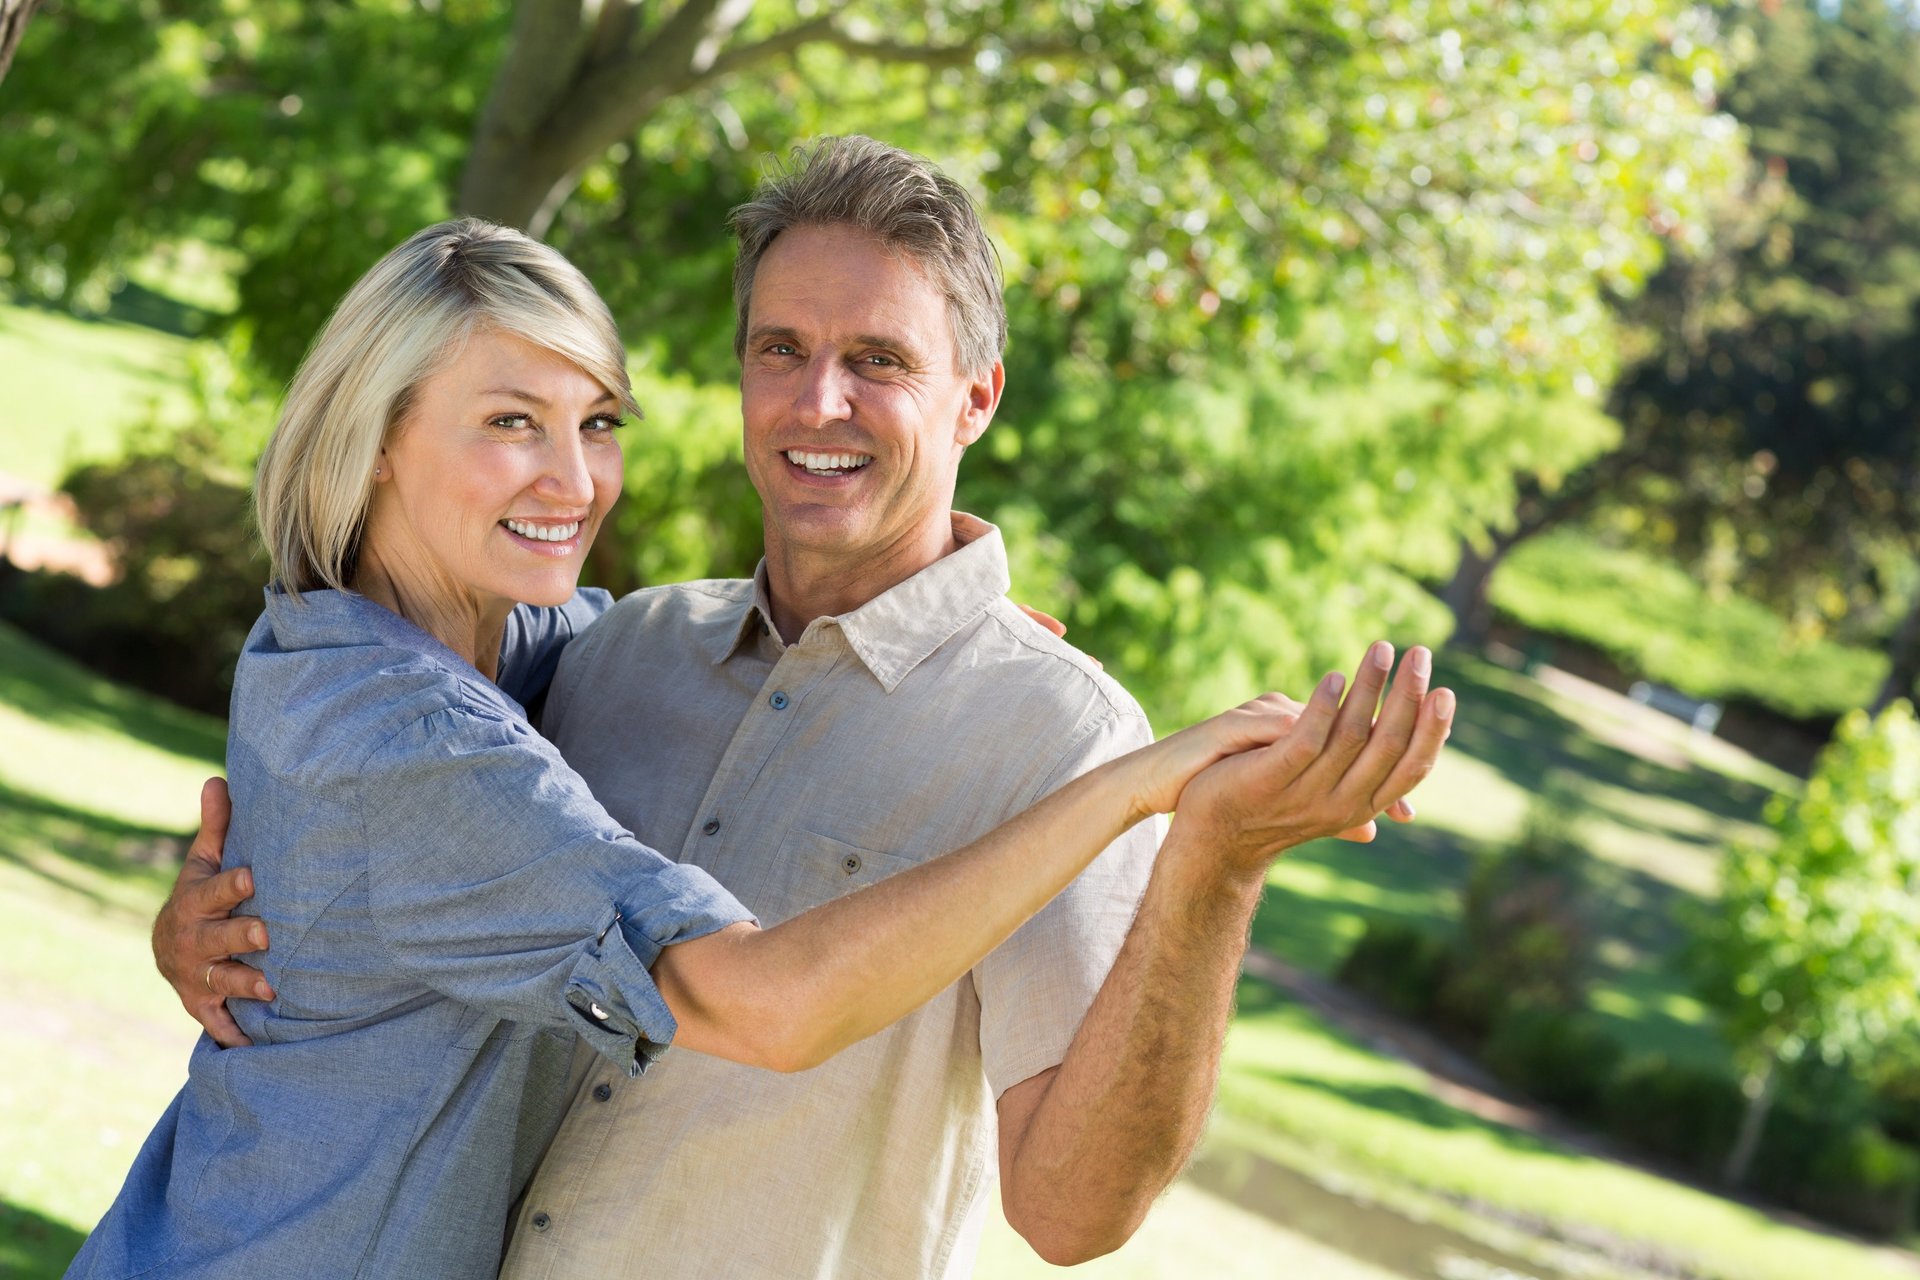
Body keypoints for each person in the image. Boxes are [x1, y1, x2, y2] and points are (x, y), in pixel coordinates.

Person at [154, 140, 1453, 1278]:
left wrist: (1213, 872)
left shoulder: (1067, 743)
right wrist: (241, 910)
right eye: (782, 348)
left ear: (977, 399)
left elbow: (1070, 1215)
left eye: (879, 360)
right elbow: (390, 744)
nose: (817, 400)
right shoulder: (620, 654)